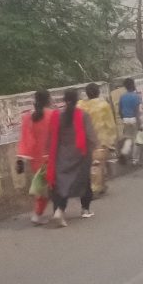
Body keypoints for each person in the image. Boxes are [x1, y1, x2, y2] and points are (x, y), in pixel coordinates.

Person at [46, 89, 99, 227]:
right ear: (77, 100)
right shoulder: (83, 115)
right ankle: (85, 209)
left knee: (62, 184)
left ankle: (59, 210)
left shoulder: (58, 116)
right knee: (84, 182)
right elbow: (90, 136)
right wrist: (95, 148)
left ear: (64, 100)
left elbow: (52, 137)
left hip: (62, 155)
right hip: (80, 155)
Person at [16, 90, 53, 224]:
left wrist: (20, 159)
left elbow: (25, 139)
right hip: (52, 155)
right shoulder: (53, 114)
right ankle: (56, 212)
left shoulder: (28, 117)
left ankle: (38, 214)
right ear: (48, 100)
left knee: (41, 186)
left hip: (36, 158)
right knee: (56, 184)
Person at [78, 83, 117, 197]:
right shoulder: (103, 105)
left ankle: (102, 186)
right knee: (97, 165)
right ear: (98, 92)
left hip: (85, 140)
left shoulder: (80, 105)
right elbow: (110, 124)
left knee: (93, 164)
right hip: (100, 139)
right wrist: (112, 139)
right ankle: (94, 189)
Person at [117, 78, 143, 166]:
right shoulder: (136, 97)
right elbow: (137, 112)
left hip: (126, 119)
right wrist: (139, 124)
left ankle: (124, 152)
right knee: (137, 140)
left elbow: (120, 110)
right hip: (134, 119)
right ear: (133, 85)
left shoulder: (122, 97)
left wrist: (123, 118)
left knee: (128, 138)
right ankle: (135, 160)